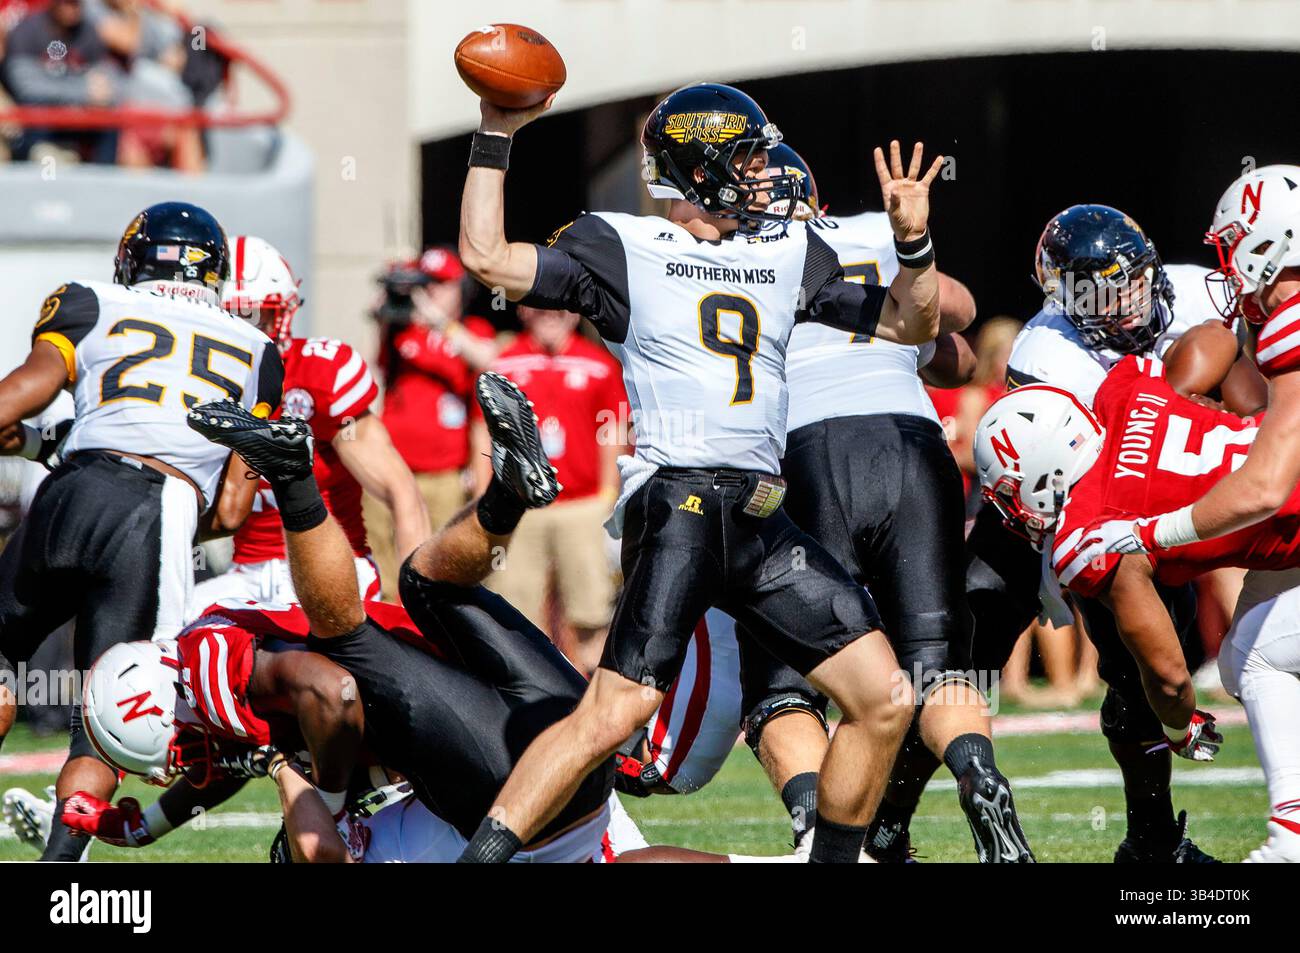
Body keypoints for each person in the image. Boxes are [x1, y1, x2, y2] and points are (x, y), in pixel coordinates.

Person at [455, 80, 942, 864]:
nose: (764, 174)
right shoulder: (622, 244)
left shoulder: (787, 251)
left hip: (762, 515)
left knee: (884, 698)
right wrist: (495, 134)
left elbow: (912, 322)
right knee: (615, 712)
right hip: (679, 500)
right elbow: (486, 257)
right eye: (746, 159)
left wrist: (913, 246)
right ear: (702, 168)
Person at [0, 201, 282, 861]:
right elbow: (233, 512)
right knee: (104, 714)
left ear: (132, 259)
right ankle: (59, 870)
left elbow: (19, 396)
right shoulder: (260, 351)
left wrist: (40, 446)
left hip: (72, 487)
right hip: (162, 510)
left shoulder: (88, 300)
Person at [963, 204, 1235, 863]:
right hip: (1067, 504)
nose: (1131, 300)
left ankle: (1151, 841)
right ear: (1067, 299)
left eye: (1136, 279)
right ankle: (885, 827)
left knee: (1138, 675)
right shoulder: (1048, 354)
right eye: (1107, 293)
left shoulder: (1199, 293)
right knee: (961, 653)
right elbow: (1069, 477)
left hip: (1151, 511)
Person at [192, 235, 427, 610]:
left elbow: (402, 493)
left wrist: (418, 605)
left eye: (255, 316)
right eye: (229, 318)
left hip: (332, 566)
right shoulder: (195, 385)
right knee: (171, 629)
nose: (245, 333)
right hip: (244, 574)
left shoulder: (318, 376)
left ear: (283, 313)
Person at [470, 304, 626, 674]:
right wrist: (483, 497)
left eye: (559, 306)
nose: (550, 314)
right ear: (523, 310)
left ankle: (590, 696)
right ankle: (529, 690)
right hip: (521, 509)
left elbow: (612, 429)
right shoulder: (503, 363)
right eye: (540, 307)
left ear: (575, 313)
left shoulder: (599, 364)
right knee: (514, 611)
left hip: (581, 506)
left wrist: (608, 496)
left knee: (591, 613)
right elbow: (481, 430)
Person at [367, 249, 499, 599]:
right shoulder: (402, 330)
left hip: (444, 476)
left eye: (440, 284)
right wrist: (387, 304)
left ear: (460, 289)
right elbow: (374, 366)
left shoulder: (471, 329)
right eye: (426, 284)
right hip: (393, 467)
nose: (431, 292)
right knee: (384, 562)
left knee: (441, 566)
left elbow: (490, 360)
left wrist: (438, 319)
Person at [2, 0, 123, 164]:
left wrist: (94, 92)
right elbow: (27, 88)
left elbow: (104, 80)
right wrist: (82, 91)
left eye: (77, 3)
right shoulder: (27, 30)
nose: (72, 8)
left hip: (77, 115)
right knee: (35, 128)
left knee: (109, 123)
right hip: (38, 120)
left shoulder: (88, 31)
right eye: (67, 3)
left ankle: (103, 177)